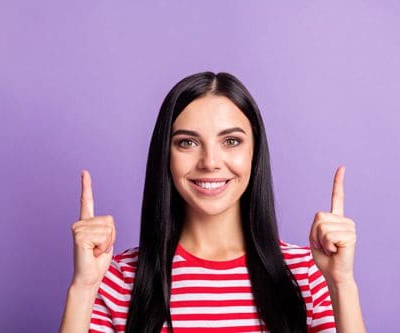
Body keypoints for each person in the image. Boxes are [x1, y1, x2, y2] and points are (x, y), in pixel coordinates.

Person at [59, 72, 366, 333]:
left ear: (254, 153)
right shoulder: (118, 279)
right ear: (165, 155)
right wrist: (83, 288)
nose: (210, 162)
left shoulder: (306, 275)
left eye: (231, 141)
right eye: (187, 142)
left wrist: (342, 284)